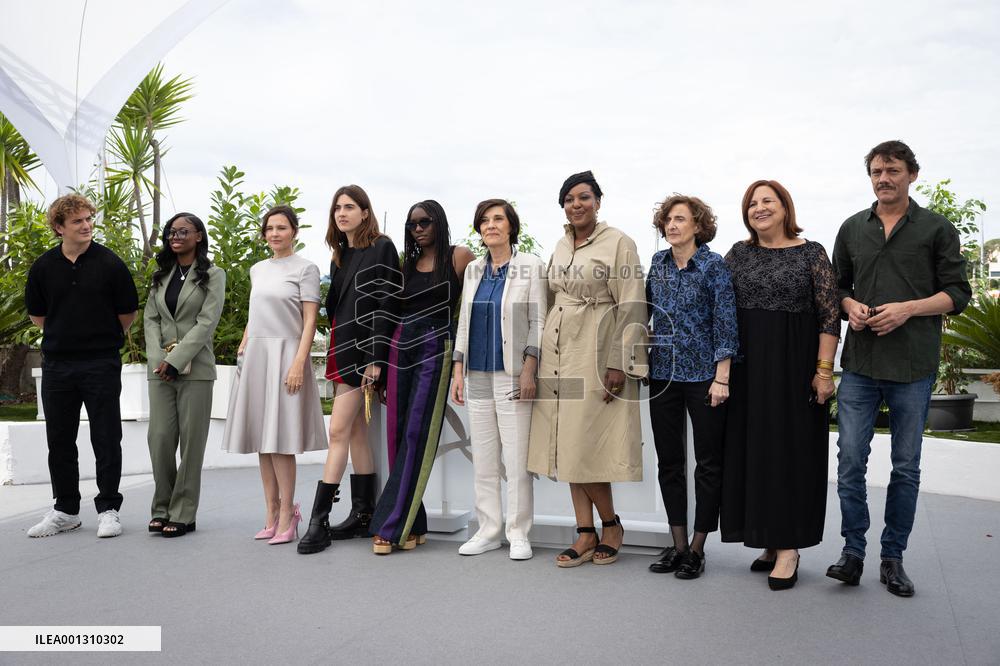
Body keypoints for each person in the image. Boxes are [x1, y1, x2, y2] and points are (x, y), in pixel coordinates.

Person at [827, 141, 971, 597]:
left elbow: (958, 294)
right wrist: (849, 305)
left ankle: (893, 558)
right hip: (860, 366)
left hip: (913, 365)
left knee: (905, 467)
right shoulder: (852, 228)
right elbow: (837, 286)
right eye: (876, 171)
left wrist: (908, 309)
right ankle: (852, 553)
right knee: (849, 462)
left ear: (912, 174)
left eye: (892, 170)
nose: (883, 178)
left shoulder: (937, 228)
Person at [720, 180, 840, 590]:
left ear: (785, 207)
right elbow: (716, 302)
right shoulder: (737, 254)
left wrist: (824, 372)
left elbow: (829, 316)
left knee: (791, 451)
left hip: (794, 366)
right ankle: (768, 540)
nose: (759, 208)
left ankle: (789, 546)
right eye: (752, 203)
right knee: (754, 451)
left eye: (767, 201)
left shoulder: (812, 253)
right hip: (748, 367)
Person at [526, 170, 648, 567]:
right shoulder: (560, 245)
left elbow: (632, 304)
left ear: (598, 200)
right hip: (558, 352)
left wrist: (619, 362)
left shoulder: (620, 243)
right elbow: (546, 297)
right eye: (568, 199)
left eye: (583, 197)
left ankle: (610, 525)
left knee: (583, 444)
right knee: (563, 444)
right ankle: (584, 532)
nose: (575, 205)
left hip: (595, 350)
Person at [24, 193, 139, 539]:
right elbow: (38, 315)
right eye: (78, 221)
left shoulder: (110, 264)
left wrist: (96, 339)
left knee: (106, 436)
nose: (87, 225)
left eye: (89, 219)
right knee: (59, 439)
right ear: (60, 227)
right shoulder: (43, 267)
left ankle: (108, 510)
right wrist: (68, 337)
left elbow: (127, 313)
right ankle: (66, 510)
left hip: (101, 363)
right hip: (58, 365)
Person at [297, 185, 402, 555]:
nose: (342, 213)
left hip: (365, 353)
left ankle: (318, 520)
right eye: (337, 208)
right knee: (355, 430)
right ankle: (363, 513)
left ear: (364, 212)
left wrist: (375, 358)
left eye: (350, 207)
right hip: (343, 350)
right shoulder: (339, 255)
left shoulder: (382, 247)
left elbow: (386, 303)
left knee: (338, 428)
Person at [369, 200, 475, 554]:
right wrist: (379, 362)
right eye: (413, 224)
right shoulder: (406, 265)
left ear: (439, 221)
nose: (418, 228)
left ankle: (391, 524)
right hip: (401, 345)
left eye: (425, 221)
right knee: (397, 434)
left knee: (418, 432)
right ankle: (415, 523)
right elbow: (389, 311)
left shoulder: (461, 257)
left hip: (436, 346)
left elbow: (473, 311)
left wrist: (462, 360)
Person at [221, 205, 326, 545]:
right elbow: (256, 313)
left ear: (294, 231)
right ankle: (271, 511)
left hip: (287, 354)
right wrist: (244, 343)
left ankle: (288, 515)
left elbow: (310, 320)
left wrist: (299, 362)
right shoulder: (257, 269)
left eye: (282, 227)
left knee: (281, 440)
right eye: (269, 228)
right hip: (256, 356)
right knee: (261, 441)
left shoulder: (306, 268)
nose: (275, 233)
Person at [645, 194, 737, 579]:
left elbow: (726, 322)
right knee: (669, 462)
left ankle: (698, 548)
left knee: (708, 464)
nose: (672, 225)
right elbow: (644, 314)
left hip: (705, 378)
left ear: (698, 226)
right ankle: (678, 544)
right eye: (668, 219)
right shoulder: (658, 264)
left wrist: (722, 376)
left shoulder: (714, 266)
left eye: (680, 219)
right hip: (663, 376)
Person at [451, 199, 547, 561]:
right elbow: (463, 323)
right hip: (476, 373)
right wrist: (458, 370)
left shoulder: (530, 266)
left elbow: (539, 321)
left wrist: (529, 368)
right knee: (485, 459)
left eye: (498, 219)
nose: (491, 225)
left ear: (511, 227)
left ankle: (518, 531)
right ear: (479, 229)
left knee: (517, 458)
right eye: (484, 221)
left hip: (511, 375)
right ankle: (489, 530)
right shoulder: (474, 270)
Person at [144, 212, 226, 538]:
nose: (175, 236)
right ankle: (161, 506)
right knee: (160, 439)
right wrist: (159, 358)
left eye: (183, 231)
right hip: (159, 370)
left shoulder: (213, 275)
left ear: (198, 237)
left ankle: (183, 512)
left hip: (196, 369)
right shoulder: (160, 275)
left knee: (191, 445)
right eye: (171, 232)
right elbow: (151, 320)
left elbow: (207, 322)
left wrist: (177, 359)